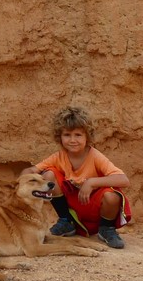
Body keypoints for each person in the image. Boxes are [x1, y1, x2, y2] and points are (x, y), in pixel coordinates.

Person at [23, 106, 131, 249]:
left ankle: (106, 228)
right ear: (60, 137)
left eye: (78, 135)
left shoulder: (95, 156)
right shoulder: (58, 157)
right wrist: (23, 178)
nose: (73, 140)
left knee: (112, 196)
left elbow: (124, 180)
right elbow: (33, 170)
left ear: (87, 136)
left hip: (93, 208)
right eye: (67, 135)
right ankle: (66, 221)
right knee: (48, 175)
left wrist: (91, 182)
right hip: (73, 208)